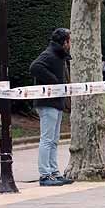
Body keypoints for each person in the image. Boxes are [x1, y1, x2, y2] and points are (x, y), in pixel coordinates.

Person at [30, 28, 74, 186]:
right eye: (70, 40)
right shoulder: (49, 54)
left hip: (56, 102)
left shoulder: (59, 55)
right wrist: (54, 81)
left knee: (54, 140)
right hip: (48, 102)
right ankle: (45, 174)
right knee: (47, 139)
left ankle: (54, 171)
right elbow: (34, 67)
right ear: (64, 42)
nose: (71, 44)